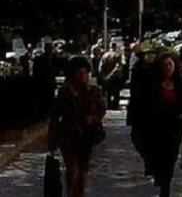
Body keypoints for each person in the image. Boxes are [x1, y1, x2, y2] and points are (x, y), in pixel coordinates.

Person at [48, 56, 106, 197]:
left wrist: (92, 119)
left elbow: (101, 110)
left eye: (85, 72)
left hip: (87, 136)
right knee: (72, 168)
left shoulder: (94, 91)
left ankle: (79, 194)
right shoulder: (65, 92)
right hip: (68, 135)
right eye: (79, 73)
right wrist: (52, 139)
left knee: (83, 169)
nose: (83, 76)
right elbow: (55, 116)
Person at [145, 53, 182, 197]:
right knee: (157, 155)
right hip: (157, 126)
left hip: (174, 126)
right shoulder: (154, 83)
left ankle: (165, 186)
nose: (168, 68)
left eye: (170, 64)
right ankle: (159, 176)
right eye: (165, 65)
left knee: (170, 156)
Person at [127, 46, 157, 177]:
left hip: (154, 110)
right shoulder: (138, 67)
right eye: (148, 54)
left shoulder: (158, 69)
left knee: (151, 139)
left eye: (153, 55)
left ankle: (151, 163)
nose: (150, 57)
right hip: (138, 108)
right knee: (136, 138)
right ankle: (149, 159)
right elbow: (133, 88)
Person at [32, 42, 58, 119]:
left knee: (50, 97)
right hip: (44, 81)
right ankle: (45, 113)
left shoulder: (53, 57)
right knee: (45, 98)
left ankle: (48, 112)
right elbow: (36, 71)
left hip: (49, 80)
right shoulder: (40, 58)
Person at [99, 43, 124, 110]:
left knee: (108, 92)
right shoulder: (117, 55)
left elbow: (100, 66)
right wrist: (112, 74)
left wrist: (103, 76)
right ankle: (115, 106)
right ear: (115, 47)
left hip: (106, 77)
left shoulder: (105, 55)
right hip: (115, 77)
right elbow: (118, 67)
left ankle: (108, 105)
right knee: (116, 92)